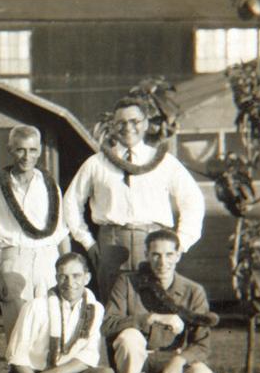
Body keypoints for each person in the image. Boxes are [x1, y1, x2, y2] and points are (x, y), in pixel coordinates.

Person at [63, 97, 205, 304]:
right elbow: (71, 203)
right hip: (111, 244)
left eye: (134, 121)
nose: (128, 127)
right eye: (121, 123)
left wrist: (180, 243)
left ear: (145, 123)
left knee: (153, 306)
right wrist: (88, 242)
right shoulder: (96, 163)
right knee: (113, 307)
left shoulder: (164, 162)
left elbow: (193, 200)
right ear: (113, 126)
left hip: (153, 244)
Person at [102, 229, 219, 373]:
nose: (162, 262)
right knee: (130, 337)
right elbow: (108, 325)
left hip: (169, 362)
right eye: (156, 255)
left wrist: (179, 360)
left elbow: (202, 345)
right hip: (134, 364)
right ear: (146, 255)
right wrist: (150, 318)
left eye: (169, 255)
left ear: (178, 255)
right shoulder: (127, 282)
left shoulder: (193, 291)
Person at [0, 125, 70, 342]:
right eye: (20, 149)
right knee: (17, 335)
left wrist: (67, 268)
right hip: (14, 260)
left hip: (48, 260)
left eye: (32, 150)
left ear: (39, 151)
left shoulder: (50, 187)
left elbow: (61, 234)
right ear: (10, 150)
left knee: (50, 330)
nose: (26, 156)